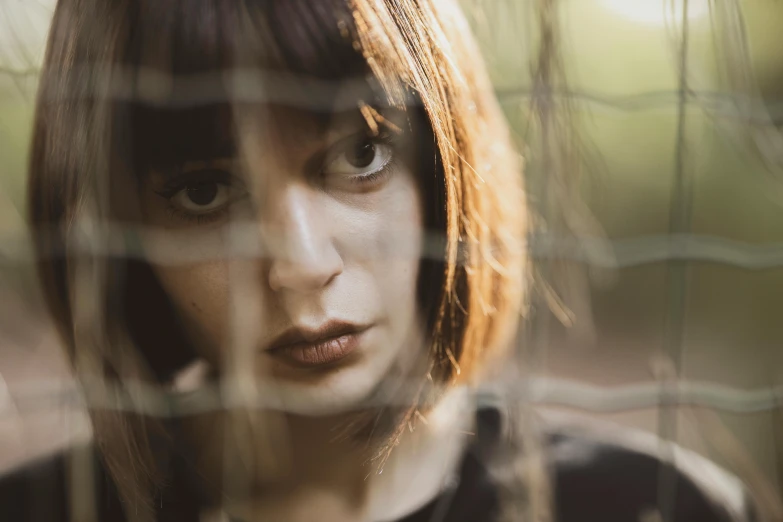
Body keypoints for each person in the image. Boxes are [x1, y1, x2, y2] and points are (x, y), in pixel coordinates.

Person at [0, 0, 760, 521]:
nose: (299, 265)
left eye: (360, 154)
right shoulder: (39, 510)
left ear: (442, 163)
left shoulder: (646, 506)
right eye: (203, 193)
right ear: (117, 231)